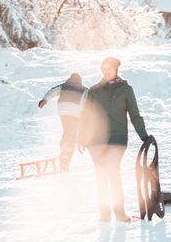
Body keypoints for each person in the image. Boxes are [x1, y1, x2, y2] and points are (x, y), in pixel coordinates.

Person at [79, 57, 149, 222]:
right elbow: (85, 115)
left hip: (116, 140)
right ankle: (104, 214)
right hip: (95, 141)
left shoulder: (126, 90)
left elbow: (134, 115)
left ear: (116, 69)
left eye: (109, 68)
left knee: (113, 173)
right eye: (103, 68)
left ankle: (119, 213)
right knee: (101, 176)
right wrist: (81, 137)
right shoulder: (94, 90)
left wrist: (143, 135)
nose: (106, 71)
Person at [38, 73, 87, 172]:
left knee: (67, 131)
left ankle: (64, 154)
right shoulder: (84, 89)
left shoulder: (64, 86)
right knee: (71, 134)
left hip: (63, 110)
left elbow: (52, 91)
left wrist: (45, 100)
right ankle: (65, 156)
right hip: (75, 112)